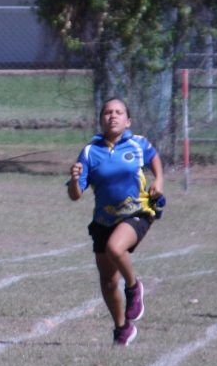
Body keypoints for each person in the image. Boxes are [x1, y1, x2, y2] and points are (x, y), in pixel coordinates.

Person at [67, 97, 163, 346]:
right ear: (101, 120)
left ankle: (134, 288)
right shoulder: (90, 151)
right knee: (109, 282)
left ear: (127, 120)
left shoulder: (138, 143)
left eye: (119, 112)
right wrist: (75, 179)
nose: (113, 116)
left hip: (138, 210)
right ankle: (122, 329)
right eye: (108, 112)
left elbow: (154, 158)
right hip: (103, 218)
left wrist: (159, 180)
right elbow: (75, 196)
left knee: (114, 248)